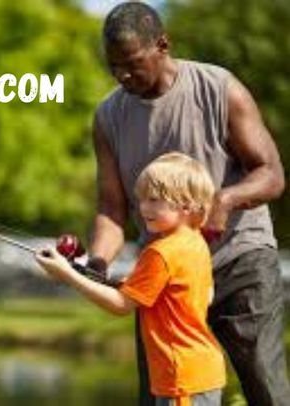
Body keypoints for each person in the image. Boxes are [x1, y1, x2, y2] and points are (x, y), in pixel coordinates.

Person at [77, 2, 289, 405]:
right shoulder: (108, 116)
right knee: (161, 393)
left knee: (266, 387)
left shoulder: (219, 88)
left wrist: (225, 199)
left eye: (132, 63)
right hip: (164, 273)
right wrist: (98, 263)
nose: (122, 75)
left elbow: (271, 173)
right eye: (113, 66)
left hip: (239, 259)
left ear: (162, 45)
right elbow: (112, 208)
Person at [37, 152, 226, 405]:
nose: (144, 208)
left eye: (154, 199)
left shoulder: (161, 251)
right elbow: (205, 292)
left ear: (186, 205)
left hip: (182, 379)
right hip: (200, 371)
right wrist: (141, 284)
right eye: (141, 200)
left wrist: (69, 275)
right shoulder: (195, 241)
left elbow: (120, 305)